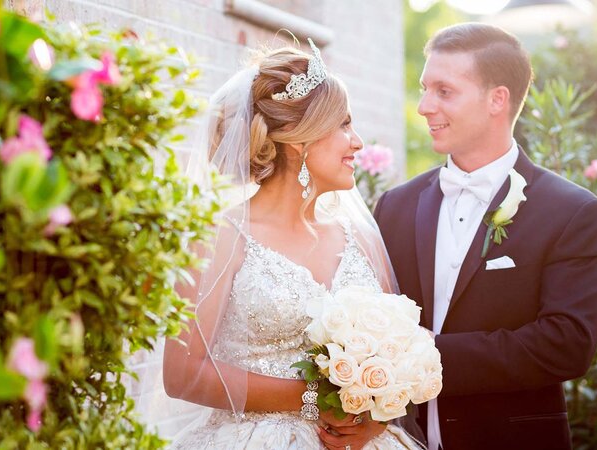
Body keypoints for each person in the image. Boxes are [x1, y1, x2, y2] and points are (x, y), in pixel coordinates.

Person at [161, 39, 423, 450]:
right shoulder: (218, 236)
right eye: (343, 125)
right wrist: (315, 400)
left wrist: (373, 418)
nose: (357, 142)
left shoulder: (361, 239)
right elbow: (183, 374)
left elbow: (397, 361)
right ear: (299, 141)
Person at [372, 23, 597, 450]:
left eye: (444, 91)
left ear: (497, 99)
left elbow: (567, 344)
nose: (425, 106)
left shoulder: (572, 212)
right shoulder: (395, 206)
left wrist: (431, 353)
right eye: (425, 88)